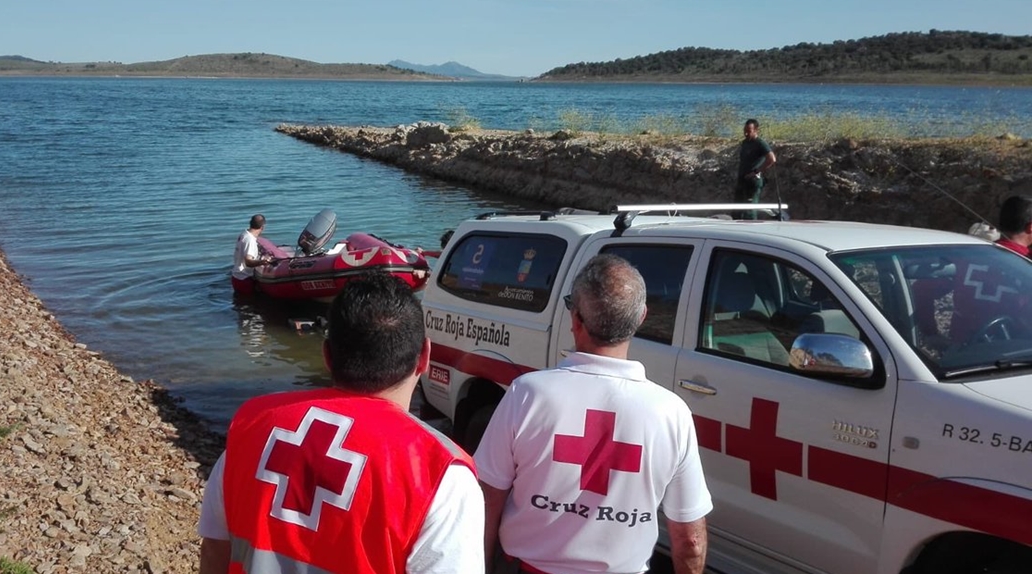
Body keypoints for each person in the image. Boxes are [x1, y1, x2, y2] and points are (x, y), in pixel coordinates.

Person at [198, 273, 485, 574]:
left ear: (326, 355)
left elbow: (216, 547)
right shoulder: (439, 473)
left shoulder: (252, 426)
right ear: (425, 356)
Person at [475, 254, 713, 574]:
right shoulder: (671, 413)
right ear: (641, 317)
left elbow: (486, 500)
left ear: (575, 320)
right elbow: (690, 542)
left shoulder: (527, 395)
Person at [733, 119, 777, 220]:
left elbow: (772, 159)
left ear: (756, 130)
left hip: (752, 181)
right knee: (737, 208)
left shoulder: (760, 143)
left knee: (750, 210)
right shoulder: (745, 143)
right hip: (742, 179)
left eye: (749, 131)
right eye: (745, 130)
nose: (746, 133)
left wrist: (756, 172)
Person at [232, 214, 274, 295]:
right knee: (248, 305)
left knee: (240, 304)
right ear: (262, 227)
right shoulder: (250, 240)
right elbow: (248, 262)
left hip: (236, 277)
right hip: (244, 279)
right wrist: (262, 262)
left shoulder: (244, 234)